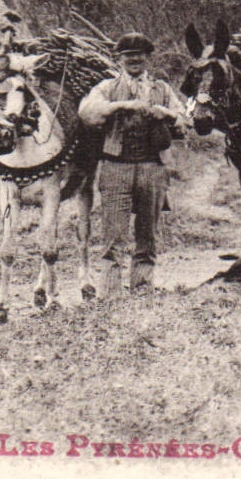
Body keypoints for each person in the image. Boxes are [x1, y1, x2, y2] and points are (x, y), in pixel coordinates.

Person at [77, 32, 187, 296]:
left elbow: (185, 120)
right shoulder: (107, 88)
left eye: (139, 56)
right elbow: (86, 112)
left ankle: (142, 289)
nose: (134, 60)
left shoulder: (162, 89)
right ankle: (110, 294)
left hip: (152, 168)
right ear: (120, 60)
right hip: (116, 167)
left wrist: (167, 114)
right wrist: (121, 106)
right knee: (113, 236)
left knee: (147, 234)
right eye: (128, 56)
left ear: (148, 58)